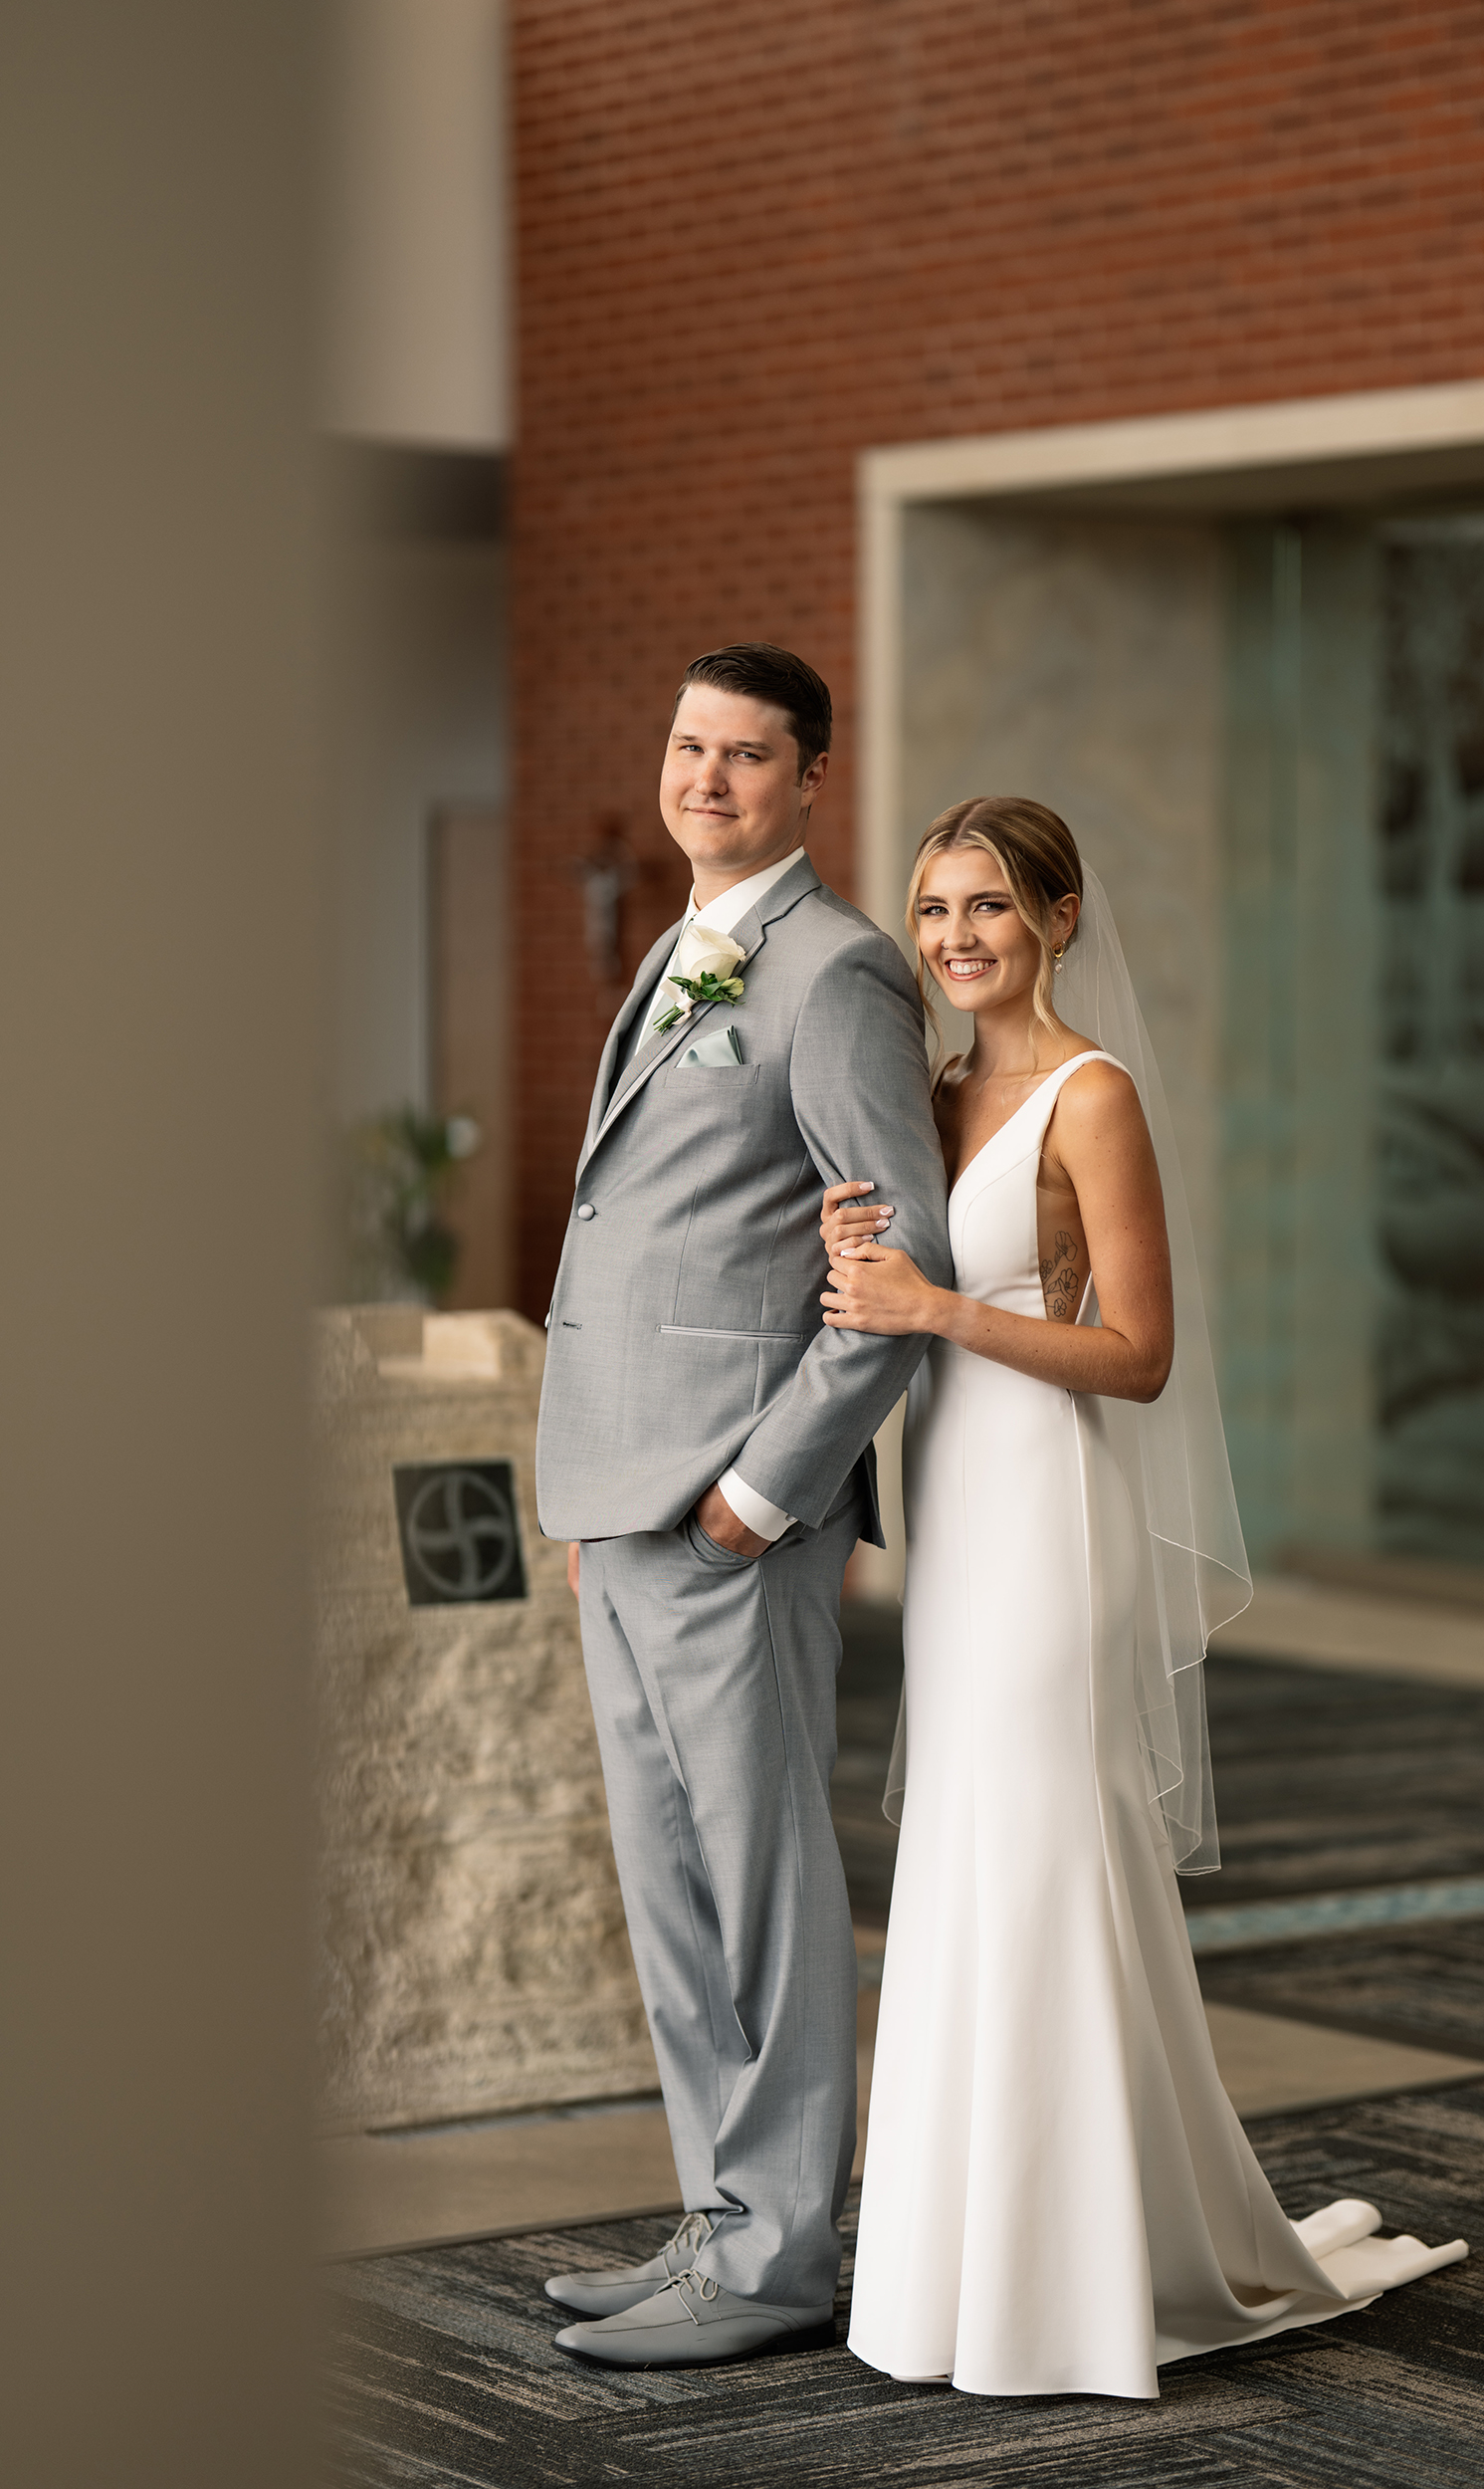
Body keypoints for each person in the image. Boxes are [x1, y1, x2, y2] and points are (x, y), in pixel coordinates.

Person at [820, 795, 1467, 2398]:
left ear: (1058, 911)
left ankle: (1076, 2280)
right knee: (970, 1853)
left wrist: (936, 1309)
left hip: (1050, 1508)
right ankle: (962, 2276)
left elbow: (1142, 1356)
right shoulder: (930, 1087)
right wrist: (855, 1270)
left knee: (1045, 1843)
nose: (955, 938)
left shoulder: (1087, 1095)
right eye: (931, 911)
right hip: (956, 1510)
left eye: (984, 907)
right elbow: (885, 1294)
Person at [534, 644, 952, 2369]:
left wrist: (756, 1499)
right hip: (616, 1502)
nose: (707, 778)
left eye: (748, 755)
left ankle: (779, 2253)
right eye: (691, 743)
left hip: (725, 1514)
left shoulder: (837, 973)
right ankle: (720, 2217)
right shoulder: (679, 949)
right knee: (670, 1893)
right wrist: (596, 1494)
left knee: (764, 1886)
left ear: (807, 780)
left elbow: (902, 1261)